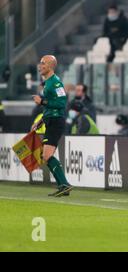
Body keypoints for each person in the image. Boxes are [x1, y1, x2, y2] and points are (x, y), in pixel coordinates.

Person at [32, 55, 72, 197]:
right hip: (50, 121)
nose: (40, 66)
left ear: (50, 66)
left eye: (43, 63)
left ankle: (64, 184)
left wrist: (42, 102)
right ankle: (63, 185)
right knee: (46, 155)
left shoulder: (55, 83)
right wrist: (41, 121)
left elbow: (61, 104)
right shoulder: (48, 82)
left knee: (47, 155)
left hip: (56, 121)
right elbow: (50, 106)